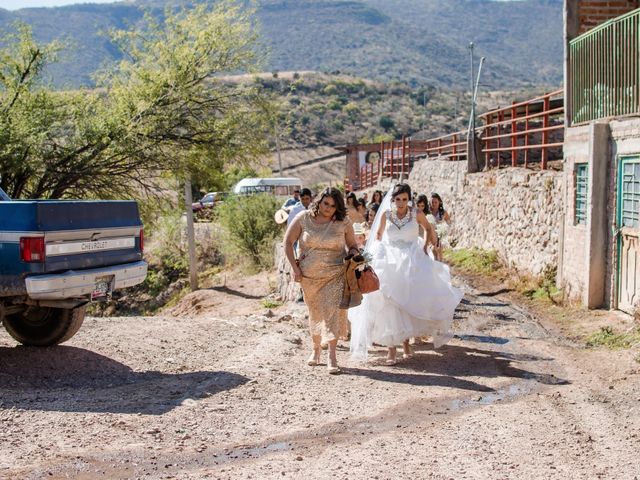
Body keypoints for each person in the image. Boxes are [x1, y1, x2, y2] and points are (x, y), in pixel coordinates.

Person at [349, 183, 463, 365]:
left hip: (412, 257)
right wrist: (374, 254)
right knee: (390, 302)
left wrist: (425, 246)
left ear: (408, 199)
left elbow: (428, 229)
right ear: (392, 200)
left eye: (404, 199)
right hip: (390, 259)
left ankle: (407, 344)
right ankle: (391, 350)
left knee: (409, 301)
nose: (401, 203)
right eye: (397, 199)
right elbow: (378, 235)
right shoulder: (386, 215)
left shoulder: (416, 214)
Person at [284, 187, 359, 374]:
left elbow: (353, 245)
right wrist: (295, 268)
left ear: (337, 207)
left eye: (333, 206)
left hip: (335, 274)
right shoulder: (304, 217)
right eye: (326, 203)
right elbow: (288, 242)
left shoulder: (344, 222)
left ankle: (332, 356)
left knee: (332, 312)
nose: (328, 208)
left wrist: (354, 254)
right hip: (309, 277)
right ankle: (316, 349)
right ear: (319, 201)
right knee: (316, 312)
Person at [430, 193, 451, 261]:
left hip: (439, 235)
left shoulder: (443, 212)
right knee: (432, 251)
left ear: (439, 202)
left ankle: (440, 264)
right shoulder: (428, 212)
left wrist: (444, 230)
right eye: (432, 202)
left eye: (435, 202)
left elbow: (448, 222)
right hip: (430, 236)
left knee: (439, 251)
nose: (434, 204)